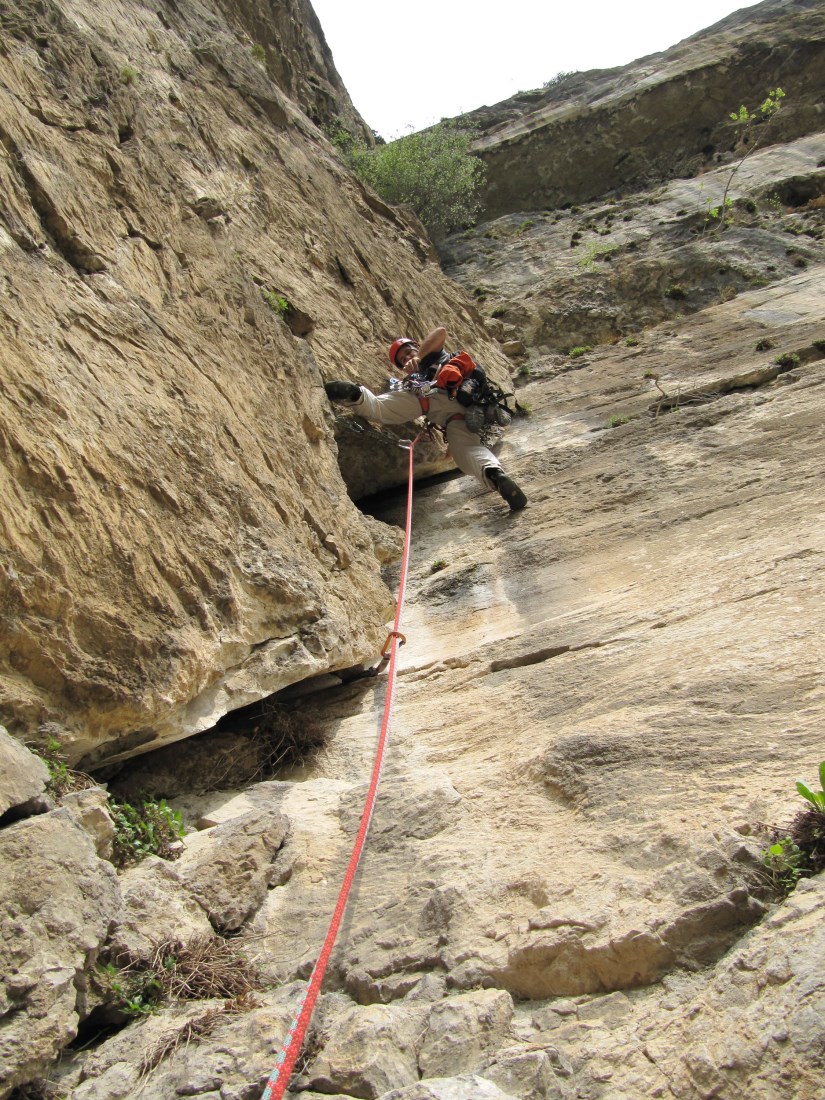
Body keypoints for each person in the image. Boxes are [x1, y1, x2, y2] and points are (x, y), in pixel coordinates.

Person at [324, 327, 527, 511]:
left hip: (434, 395)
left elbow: (440, 332)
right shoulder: (418, 370)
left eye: (408, 352)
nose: (406, 359)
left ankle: (354, 394)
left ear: (418, 346)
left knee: (380, 408)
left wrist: (419, 357)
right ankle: (495, 474)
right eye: (402, 360)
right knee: (466, 452)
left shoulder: (433, 354)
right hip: (455, 413)